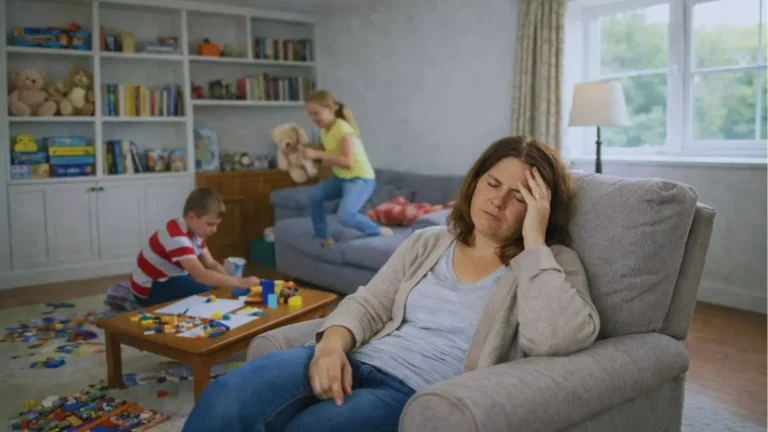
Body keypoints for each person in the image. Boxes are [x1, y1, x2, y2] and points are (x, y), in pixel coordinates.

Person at [182, 136, 601, 432]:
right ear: (475, 183)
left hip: (411, 390)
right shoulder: (429, 241)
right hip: (359, 356)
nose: (498, 200)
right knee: (226, 396)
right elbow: (369, 302)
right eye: (493, 184)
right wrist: (330, 347)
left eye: (519, 197)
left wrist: (533, 243)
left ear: (540, 211)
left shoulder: (550, 263)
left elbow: (554, 338)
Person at [129, 187, 260, 307]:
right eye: (210, 224)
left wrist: (233, 282)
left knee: (215, 283)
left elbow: (210, 263)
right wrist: (240, 282)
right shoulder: (176, 237)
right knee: (206, 289)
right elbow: (201, 275)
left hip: (172, 277)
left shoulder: (196, 232)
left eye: (216, 225)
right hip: (149, 288)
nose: (214, 230)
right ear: (192, 217)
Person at [301, 90, 393, 247]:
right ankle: (324, 237)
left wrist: (318, 154)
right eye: (310, 115)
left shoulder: (343, 129)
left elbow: (348, 162)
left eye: (316, 113)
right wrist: (313, 157)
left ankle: (376, 230)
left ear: (330, 109)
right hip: (341, 177)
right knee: (314, 196)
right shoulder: (324, 130)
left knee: (345, 216)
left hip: (360, 179)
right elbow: (331, 157)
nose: (313, 118)